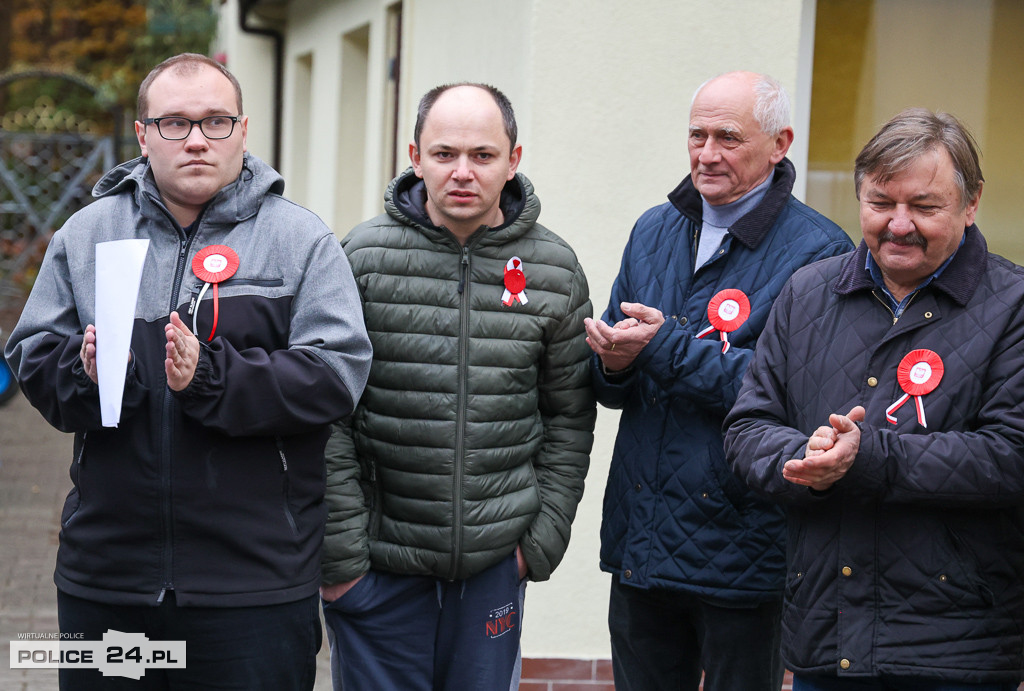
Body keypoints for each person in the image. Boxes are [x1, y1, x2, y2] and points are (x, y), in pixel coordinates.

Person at [4, 53, 372, 690]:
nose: (197, 139)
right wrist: (83, 372)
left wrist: (212, 377)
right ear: (143, 135)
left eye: (215, 122)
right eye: (174, 123)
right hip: (107, 582)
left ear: (243, 130)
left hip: (253, 586)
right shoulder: (87, 234)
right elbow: (31, 351)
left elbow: (337, 375)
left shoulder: (300, 241)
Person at [724, 108, 1024, 689]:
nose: (899, 224)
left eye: (925, 206)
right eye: (881, 203)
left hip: (956, 648)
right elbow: (747, 428)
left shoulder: (1012, 306)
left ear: (972, 203)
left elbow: (1010, 456)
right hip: (825, 636)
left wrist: (868, 459)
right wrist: (806, 457)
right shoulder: (808, 292)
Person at [319, 82, 596, 691]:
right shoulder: (359, 257)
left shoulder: (554, 268)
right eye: (444, 154)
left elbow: (570, 417)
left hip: (495, 567)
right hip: (379, 568)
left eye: (483, 155)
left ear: (513, 160)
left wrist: (538, 543)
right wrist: (343, 564)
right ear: (414, 157)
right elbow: (328, 414)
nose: (463, 172)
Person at [584, 71, 853, 691]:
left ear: (780, 143)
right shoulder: (654, 228)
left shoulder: (818, 253)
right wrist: (613, 363)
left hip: (742, 544)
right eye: (697, 135)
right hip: (642, 539)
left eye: (728, 138)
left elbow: (791, 394)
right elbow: (614, 380)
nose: (707, 154)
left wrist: (661, 348)